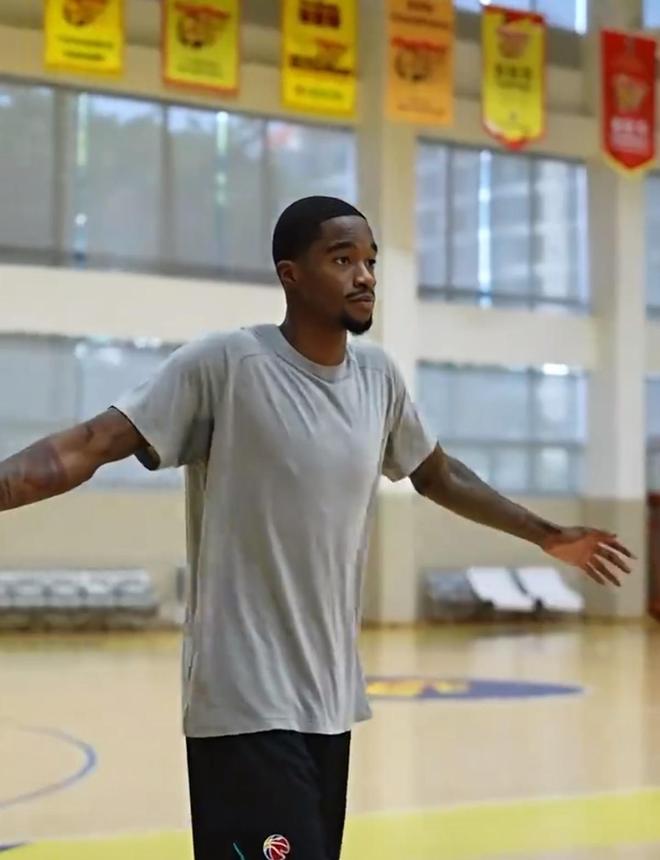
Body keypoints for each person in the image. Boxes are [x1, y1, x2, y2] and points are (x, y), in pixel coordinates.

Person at [0, 196, 633, 860]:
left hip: (328, 702)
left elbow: (439, 475)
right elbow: (89, 444)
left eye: (371, 262)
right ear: (291, 275)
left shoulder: (378, 378)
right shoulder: (228, 364)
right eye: (342, 259)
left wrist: (546, 533)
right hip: (244, 703)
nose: (365, 276)